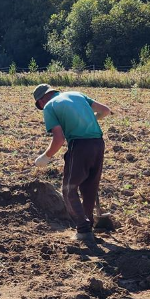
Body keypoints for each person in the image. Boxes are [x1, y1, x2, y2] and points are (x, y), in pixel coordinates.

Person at [33, 84, 111, 243]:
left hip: (79, 146)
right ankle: (88, 228)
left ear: (41, 101)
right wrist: (89, 120)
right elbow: (105, 111)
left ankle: (82, 230)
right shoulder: (78, 95)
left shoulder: (49, 107)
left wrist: (45, 157)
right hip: (98, 144)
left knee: (69, 190)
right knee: (89, 188)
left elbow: (59, 138)